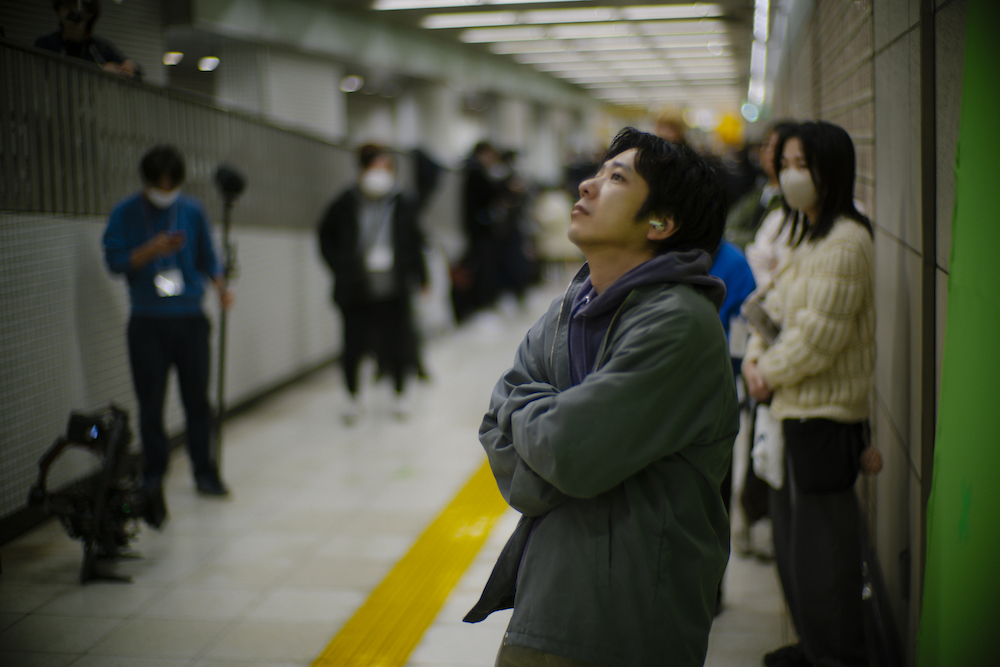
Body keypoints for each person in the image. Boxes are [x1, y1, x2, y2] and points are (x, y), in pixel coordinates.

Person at [464, 128, 739, 666]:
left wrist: (542, 432)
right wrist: (552, 443)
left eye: (617, 178)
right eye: (597, 173)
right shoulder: (570, 308)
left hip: (628, 615)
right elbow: (495, 423)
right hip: (547, 591)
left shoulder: (679, 323)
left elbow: (569, 451)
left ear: (661, 222)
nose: (587, 186)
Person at [742, 121, 877, 667]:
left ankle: (836, 656)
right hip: (791, 410)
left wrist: (765, 373)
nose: (790, 175)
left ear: (832, 169)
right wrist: (755, 358)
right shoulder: (806, 235)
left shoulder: (847, 239)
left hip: (824, 417)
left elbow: (816, 339)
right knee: (796, 547)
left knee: (825, 554)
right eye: (786, 164)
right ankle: (813, 647)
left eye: (803, 164)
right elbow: (771, 309)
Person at [102, 145, 233, 526]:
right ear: (146, 182)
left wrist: (221, 287)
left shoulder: (192, 209)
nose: (165, 189)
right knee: (151, 403)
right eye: (158, 184)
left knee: (198, 402)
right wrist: (150, 250)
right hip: (147, 321)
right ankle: (153, 474)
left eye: (171, 183)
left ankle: (204, 471)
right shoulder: (126, 212)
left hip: (190, 318)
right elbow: (114, 261)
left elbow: (208, 257)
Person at [318, 144, 428, 422]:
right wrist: (341, 267)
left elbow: (415, 241)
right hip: (356, 290)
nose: (380, 174)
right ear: (362, 170)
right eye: (375, 167)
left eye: (386, 168)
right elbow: (325, 237)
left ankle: (400, 395)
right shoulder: (345, 203)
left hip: (394, 288)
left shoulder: (403, 203)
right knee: (353, 346)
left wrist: (421, 276)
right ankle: (353, 398)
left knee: (398, 343)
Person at [724, 121, 796, 249]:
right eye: (767, 145)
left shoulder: (792, 199)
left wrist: (732, 238)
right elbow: (730, 224)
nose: (769, 152)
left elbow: (761, 239)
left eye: (777, 147)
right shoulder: (759, 190)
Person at [35, 0, 141, 79]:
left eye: (75, 4)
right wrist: (100, 71)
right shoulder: (46, 44)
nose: (68, 9)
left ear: (89, 13)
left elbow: (136, 74)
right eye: (64, 4)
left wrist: (127, 68)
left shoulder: (100, 48)